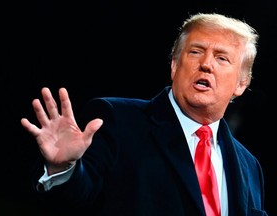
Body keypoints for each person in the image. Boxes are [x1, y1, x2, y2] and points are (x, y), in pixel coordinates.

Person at [21, 12, 268, 216]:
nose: (206, 64)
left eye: (222, 58)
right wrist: (64, 169)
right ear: (174, 65)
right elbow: (79, 198)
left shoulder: (249, 165)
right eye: (195, 51)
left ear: (241, 83)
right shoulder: (117, 120)